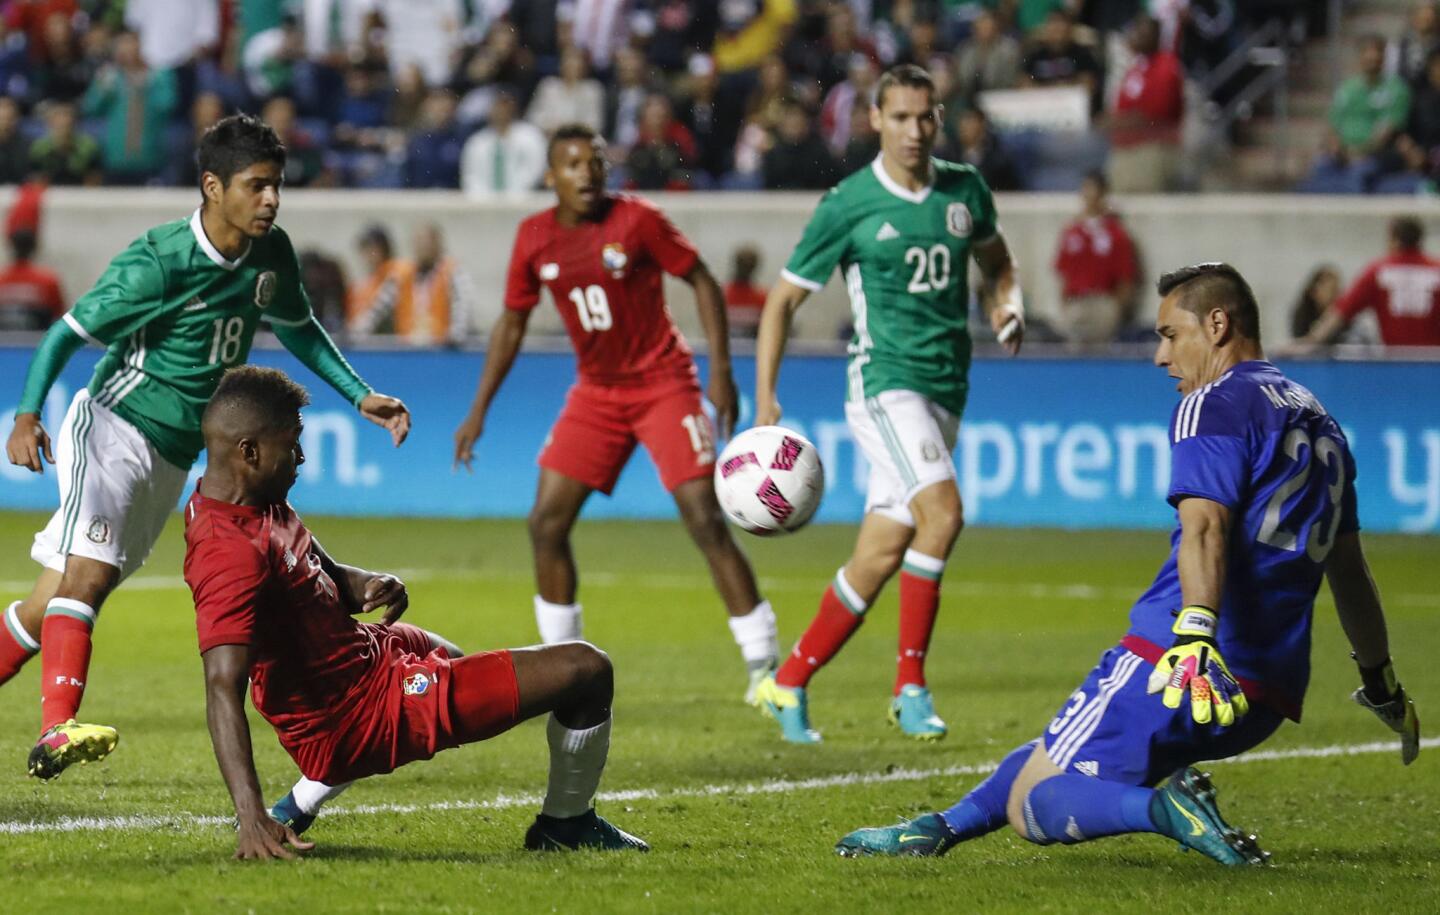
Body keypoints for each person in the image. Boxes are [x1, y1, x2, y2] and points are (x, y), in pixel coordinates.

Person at [833, 262, 1420, 863]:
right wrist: (1381, 683)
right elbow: (1349, 572)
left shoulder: (1215, 402)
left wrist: (1194, 636)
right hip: (1267, 692)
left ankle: (1167, 810)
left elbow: (1205, 526)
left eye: (1170, 335)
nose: (1161, 357)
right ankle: (938, 831)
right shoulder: (1321, 421)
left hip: (1184, 664)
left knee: (1034, 806)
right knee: (1064, 747)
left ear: (1217, 325)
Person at [2, 114, 412, 780]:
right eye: (256, 187)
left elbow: (300, 327)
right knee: (90, 575)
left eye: (276, 186)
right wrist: (26, 415)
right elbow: (65, 333)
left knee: (48, 600)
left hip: (172, 453)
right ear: (212, 186)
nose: (271, 200)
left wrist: (357, 392)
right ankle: (57, 727)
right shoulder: (157, 262)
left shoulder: (270, 252)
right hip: (111, 425)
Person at [189, 366, 645, 858]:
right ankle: (567, 825)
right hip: (355, 713)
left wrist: (366, 584)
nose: (301, 456)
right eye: (292, 443)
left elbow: (328, 573)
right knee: (587, 669)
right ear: (249, 451)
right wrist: (249, 816)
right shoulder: (227, 554)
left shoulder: (260, 500)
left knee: (449, 656)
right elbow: (222, 685)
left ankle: (300, 800)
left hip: (365, 659)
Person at [453, 123, 781, 702]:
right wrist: (478, 408)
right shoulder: (533, 238)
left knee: (705, 517)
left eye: (596, 161)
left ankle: (764, 668)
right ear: (550, 176)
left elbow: (701, 280)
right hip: (598, 392)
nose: (587, 172)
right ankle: (564, 670)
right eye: (573, 163)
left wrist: (722, 372)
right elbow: (511, 323)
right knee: (545, 523)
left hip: (663, 383)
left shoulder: (638, 221)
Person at [751, 65, 1025, 744]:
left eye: (925, 116)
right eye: (899, 117)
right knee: (945, 512)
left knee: (879, 554)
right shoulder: (848, 204)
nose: (914, 130)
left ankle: (786, 684)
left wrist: (1007, 305)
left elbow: (997, 262)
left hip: (946, 387)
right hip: (884, 385)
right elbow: (782, 301)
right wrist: (765, 398)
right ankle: (910, 687)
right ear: (875, 120)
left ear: (939, 118)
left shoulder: (965, 190)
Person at [1294, 217, 1440, 348]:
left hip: (1396, 364)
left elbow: (1340, 312)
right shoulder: (1436, 270)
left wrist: (1311, 341)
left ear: (1394, 240)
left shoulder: (1377, 272)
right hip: (1432, 364)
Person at [1053, 171, 1139, 344]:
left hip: (1103, 301)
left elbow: (1125, 278)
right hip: (1076, 301)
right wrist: (1064, 303)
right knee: (1071, 349)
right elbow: (1064, 273)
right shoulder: (1072, 232)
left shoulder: (1116, 234)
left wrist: (1116, 308)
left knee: (1100, 349)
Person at [1107, 14, 1185, 193]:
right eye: (1136, 31)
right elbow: (1122, 106)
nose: (1137, 36)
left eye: (1143, 32)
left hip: (1154, 145)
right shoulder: (1136, 67)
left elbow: (1157, 114)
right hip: (1127, 145)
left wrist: (1120, 121)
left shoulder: (1167, 66)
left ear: (1156, 36)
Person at [724, 245, 767, 339]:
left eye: (749, 266)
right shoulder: (720, 296)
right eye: (743, 265)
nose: (745, 269)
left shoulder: (762, 297)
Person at [1288, 265, 1341, 341]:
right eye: (1331, 290)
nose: (1335, 296)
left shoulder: (1340, 316)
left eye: (1336, 290)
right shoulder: (1303, 313)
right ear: (1313, 291)